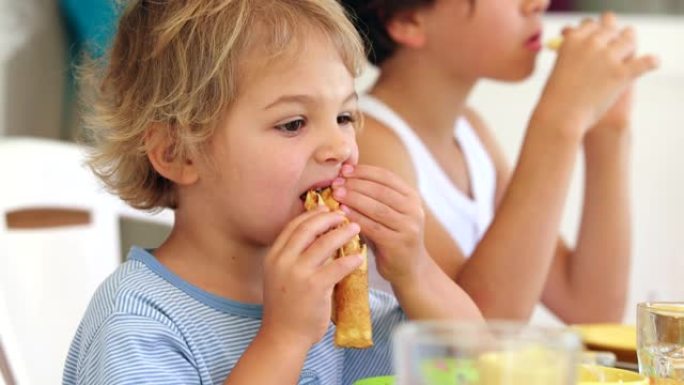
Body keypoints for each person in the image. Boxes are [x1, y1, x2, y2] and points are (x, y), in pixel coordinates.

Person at [62, 1, 482, 384]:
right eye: (294, 123)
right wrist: (283, 341)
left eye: (344, 116)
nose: (340, 147)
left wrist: (416, 271)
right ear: (177, 153)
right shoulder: (138, 323)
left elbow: (478, 362)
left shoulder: (334, 301)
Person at [337, 0, 659, 323]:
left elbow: (592, 310)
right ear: (408, 21)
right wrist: (560, 121)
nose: (538, 4)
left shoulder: (470, 134)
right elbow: (483, 334)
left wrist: (608, 128)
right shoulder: (364, 144)